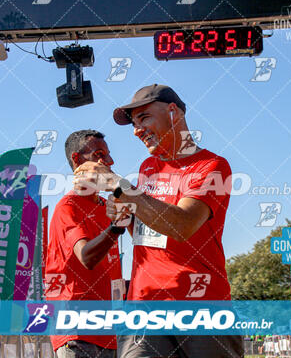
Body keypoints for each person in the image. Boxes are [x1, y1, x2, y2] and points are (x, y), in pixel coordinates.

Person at [74, 84, 243, 357]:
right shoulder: (147, 168)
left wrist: (119, 185)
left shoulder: (212, 165)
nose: (136, 130)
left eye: (144, 118)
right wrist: (124, 219)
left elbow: (183, 225)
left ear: (173, 112)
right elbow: (147, 236)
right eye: (133, 123)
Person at [44, 129, 125, 358]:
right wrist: (117, 227)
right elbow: (87, 257)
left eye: (109, 156)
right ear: (77, 160)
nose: (108, 162)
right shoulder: (67, 207)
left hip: (109, 331)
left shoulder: (105, 205)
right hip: (77, 332)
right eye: (99, 155)